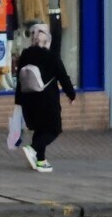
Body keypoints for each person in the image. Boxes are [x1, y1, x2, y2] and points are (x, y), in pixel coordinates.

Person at [13, 20, 76, 172]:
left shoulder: (26, 54)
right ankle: (33, 149)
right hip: (47, 100)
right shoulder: (51, 56)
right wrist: (71, 94)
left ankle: (41, 161)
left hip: (29, 100)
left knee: (40, 129)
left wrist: (19, 101)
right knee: (54, 128)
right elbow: (63, 76)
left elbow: (19, 79)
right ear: (47, 38)